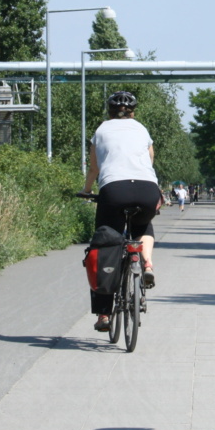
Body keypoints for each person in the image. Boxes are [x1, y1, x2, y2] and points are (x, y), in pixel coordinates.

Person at [82, 91, 161, 332]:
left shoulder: (101, 130)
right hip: (147, 189)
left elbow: (94, 168)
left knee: (106, 243)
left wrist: (87, 190)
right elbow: (150, 160)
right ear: (133, 112)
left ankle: (104, 315)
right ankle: (147, 263)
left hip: (114, 189)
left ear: (109, 111)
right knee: (143, 225)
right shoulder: (142, 129)